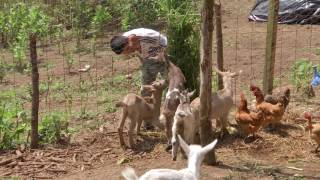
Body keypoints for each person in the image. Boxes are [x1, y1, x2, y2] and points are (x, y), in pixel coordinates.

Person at [110, 28, 169, 129]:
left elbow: (164, 45)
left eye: (128, 49)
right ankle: (148, 121)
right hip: (149, 56)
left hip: (164, 52)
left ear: (131, 40)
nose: (129, 52)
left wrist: (161, 59)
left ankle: (170, 118)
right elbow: (140, 54)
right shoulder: (124, 40)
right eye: (127, 52)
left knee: (169, 85)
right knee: (146, 88)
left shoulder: (142, 38)